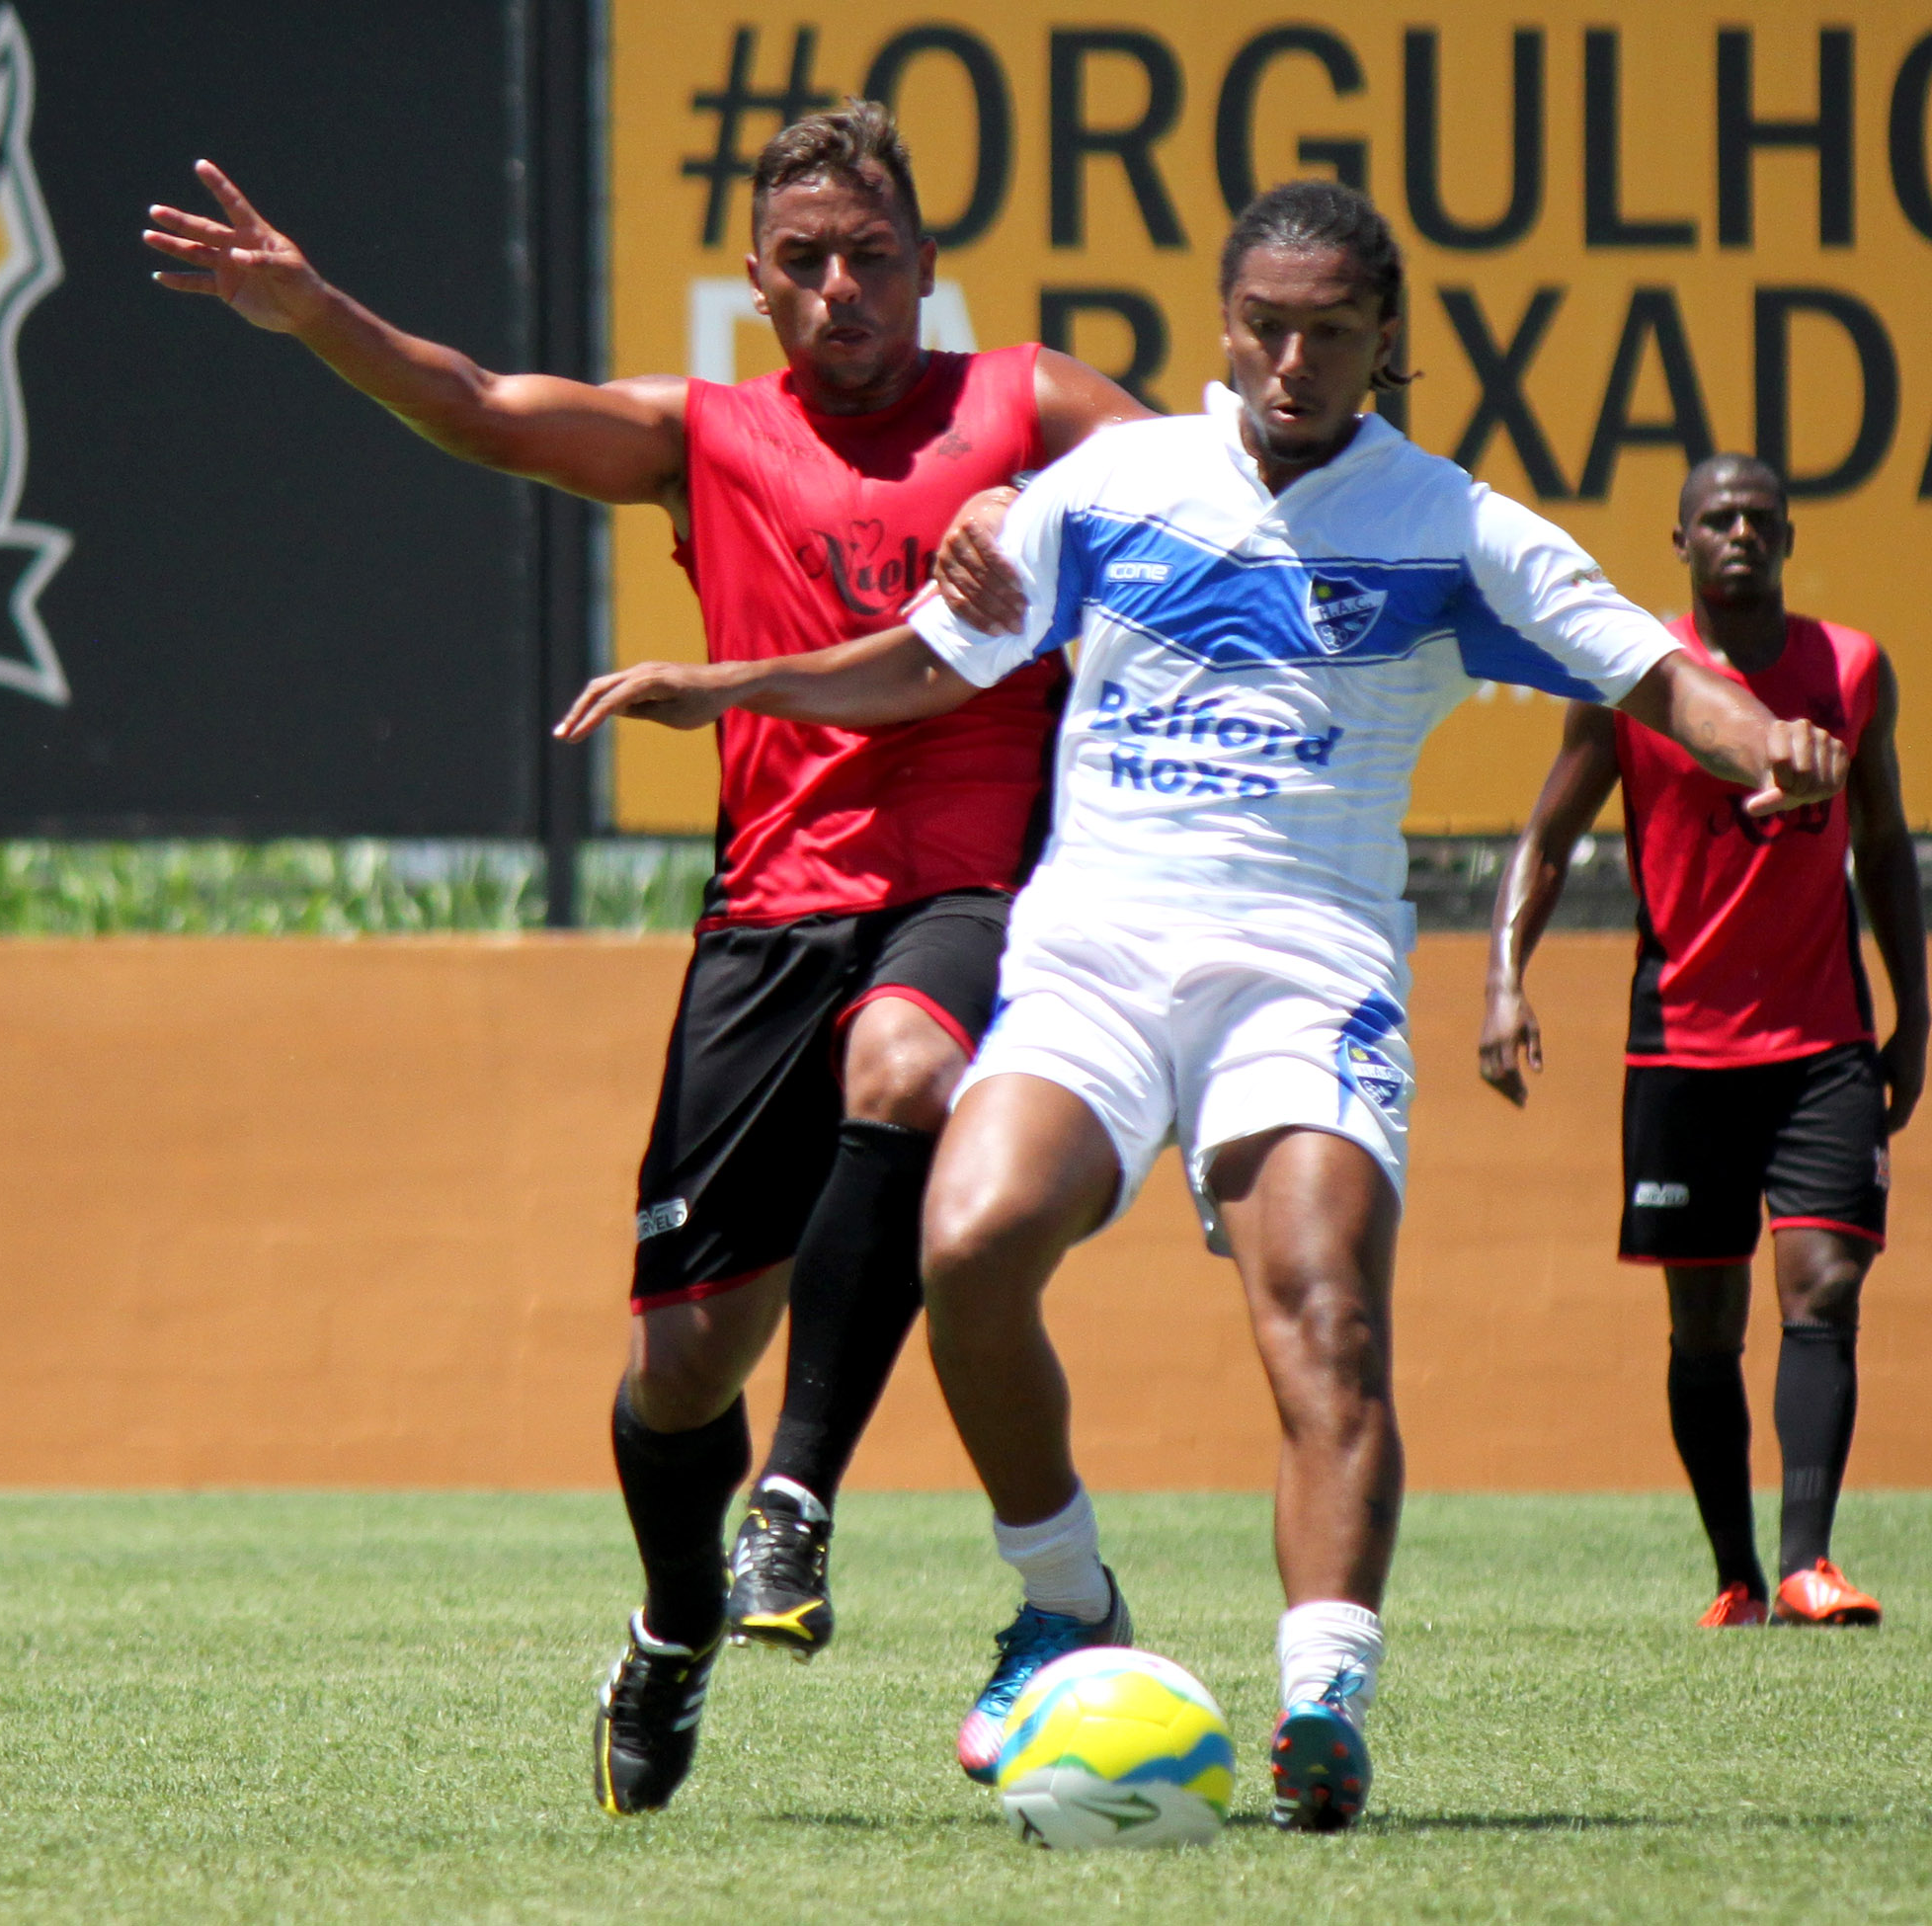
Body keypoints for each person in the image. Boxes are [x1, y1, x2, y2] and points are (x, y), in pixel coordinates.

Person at [585, 181, 1848, 1830]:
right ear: (1222, 324)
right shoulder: (1114, 486)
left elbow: (1648, 670)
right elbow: (920, 660)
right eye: (1265, 325)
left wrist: (1773, 750)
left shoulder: (1450, 524)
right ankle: (1061, 1598)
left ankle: (1322, 1697)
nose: (1292, 360)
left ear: (1384, 340)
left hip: (1301, 971)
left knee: (1319, 1307)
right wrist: (728, 686)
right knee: (964, 1245)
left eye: (1331, 332)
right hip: (1094, 953)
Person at [144, 102, 1148, 1814]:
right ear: (755, 283)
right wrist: (318, 316)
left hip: (970, 893)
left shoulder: (1030, 409)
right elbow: (480, 410)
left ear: (927, 270)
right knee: (681, 1369)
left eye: (876, 258)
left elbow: (1206, 503)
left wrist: (1314, 437)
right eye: (809, 262)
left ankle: (798, 1504)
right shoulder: (710, 435)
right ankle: (678, 1621)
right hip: (770, 915)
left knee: (907, 1071)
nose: (845, 288)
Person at [1479, 452, 1929, 1631]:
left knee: (1824, 1284)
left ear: (1787, 536)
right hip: (1682, 1047)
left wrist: (1911, 1011)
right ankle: (1735, 1574)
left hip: (1822, 1040)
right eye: (1717, 518)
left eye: (1760, 518)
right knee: (1705, 1327)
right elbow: (1548, 835)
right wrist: (1502, 984)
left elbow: (1883, 847)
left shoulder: (1852, 668)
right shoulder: (1630, 675)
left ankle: (1808, 1563)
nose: (1741, 533)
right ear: (1678, 541)